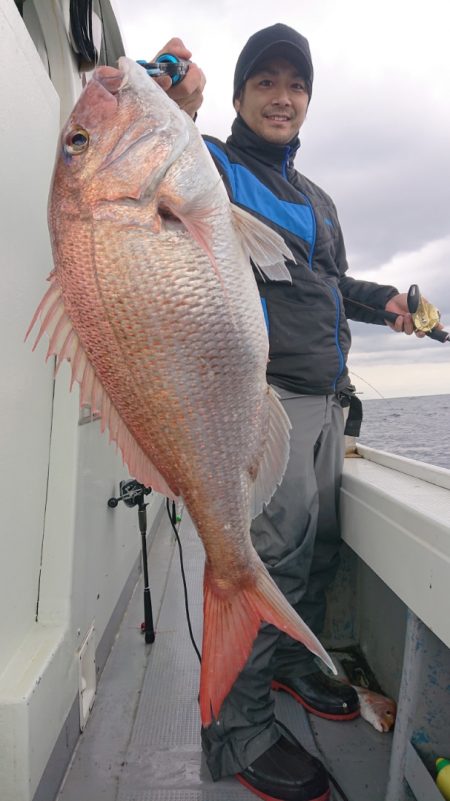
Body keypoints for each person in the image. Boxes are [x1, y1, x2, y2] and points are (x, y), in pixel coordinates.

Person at [151, 24, 441, 801]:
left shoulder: (319, 200)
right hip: (259, 398)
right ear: (242, 95)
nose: (283, 97)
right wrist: (169, 88)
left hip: (326, 401)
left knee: (313, 551)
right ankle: (237, 728)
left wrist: (390, 302)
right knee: (262, 555)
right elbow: (151, 139)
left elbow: (329, 286)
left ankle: (284, 668)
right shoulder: (213, 162)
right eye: (266, 82)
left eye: (296, 85)